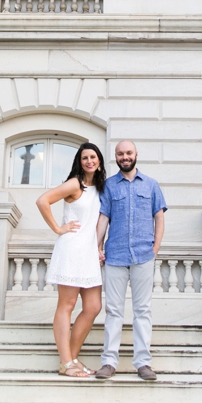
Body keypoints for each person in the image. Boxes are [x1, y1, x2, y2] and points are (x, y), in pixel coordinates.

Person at [94, 140, 167, 381]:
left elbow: (159, 218)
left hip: (143, 256)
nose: (124, 157)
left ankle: (143, 363)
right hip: (115, 256)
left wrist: (155, 248)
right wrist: (97, 247)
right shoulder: (108, 186)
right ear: (115, 157)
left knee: (142, 310)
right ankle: (109, 362)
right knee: (113, 310)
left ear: (136, 154)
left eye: (128, 153)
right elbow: (103, 219)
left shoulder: (152, 185)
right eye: (120, 154)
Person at [35, 142, 107, 378]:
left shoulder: (98, 187)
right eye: (85, 157)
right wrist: (58, 228)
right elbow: (43, 200)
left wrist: (98, 246)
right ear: (79, 161)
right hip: (71, 249)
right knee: (66, 305)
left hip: (88, 253)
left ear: (99, 162)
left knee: (93, 307)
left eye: (93, 157)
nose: (89, 161)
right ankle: (67, 362)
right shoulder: (75, 183)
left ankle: (71, 359)